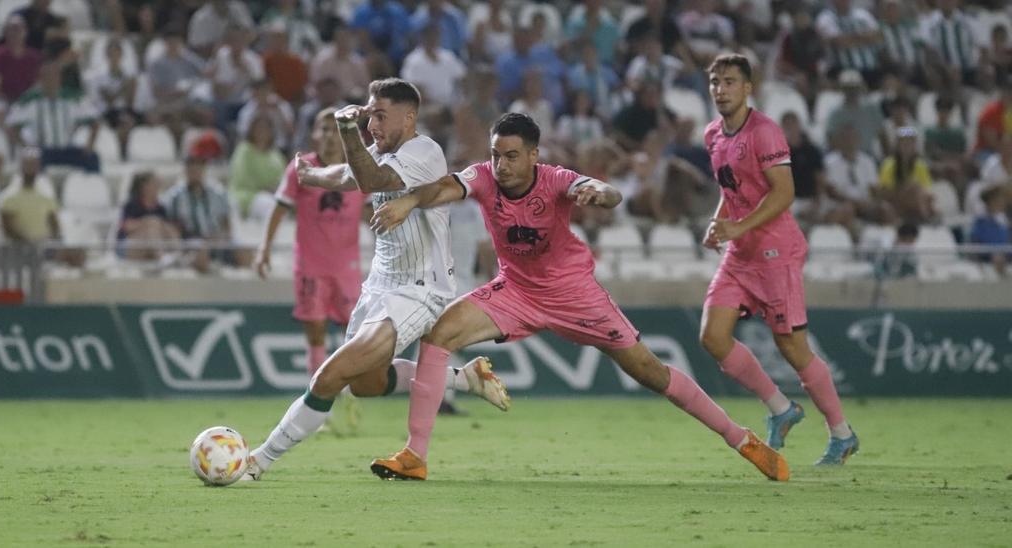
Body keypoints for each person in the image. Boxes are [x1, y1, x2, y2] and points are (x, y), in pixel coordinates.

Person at [364, 113, 788, 482]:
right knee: (438, 336)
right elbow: (442, 188)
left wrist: (599, 193)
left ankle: (741, 438)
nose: (501, 164)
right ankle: (415, 456)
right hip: (516, 289)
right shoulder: (484, 177)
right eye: (496, 154)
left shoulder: (556, 179)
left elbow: (608, 192)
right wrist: (408, 202)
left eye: (511, 156)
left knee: (651, 373)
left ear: (533, 155)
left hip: (574, 294)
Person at [245, 79, 511, 481]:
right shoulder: (380, 151)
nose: (372, 124)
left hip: (420, 290)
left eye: (380, 116)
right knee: (363, 384)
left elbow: (369, 179)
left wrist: (346, 129)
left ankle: (257, 461)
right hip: (380, 286)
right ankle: (465, 378)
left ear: (410, 117)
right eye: (370, 115)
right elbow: (348, 174)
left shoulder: (424, 152)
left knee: (329, 377)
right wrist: (312, 176)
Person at [698, 54, 858, 465]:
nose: (721, 89)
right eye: (715, 82)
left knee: (791, 345)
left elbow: (784, 193)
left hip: (775, 251)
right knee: (713, 337)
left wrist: (739, 226)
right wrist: (719, 223)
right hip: (741, 251)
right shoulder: (713, 134)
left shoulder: (765, 132)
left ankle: (841, 434)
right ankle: (781, 409)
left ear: (748, 88)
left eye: (730, 81)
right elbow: (730, 187)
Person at [254, 107, 365, 387]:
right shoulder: (301, 168)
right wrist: (264, 248)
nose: (329, 135)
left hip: (347, 268)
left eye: (335, 129)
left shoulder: (361, 169)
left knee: (352, 333)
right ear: (315, 134)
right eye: (323, 129)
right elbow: (280, 209)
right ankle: (318, 394)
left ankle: (348, 390)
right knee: (315, 332)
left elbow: (373, 211)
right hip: (310, 267)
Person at [117, 172, 180, 261]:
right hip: (129, 247)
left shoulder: (160, 208)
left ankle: (177, 254)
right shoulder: (131, 205)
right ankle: (162, 257)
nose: (157, 187)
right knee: (152, 223)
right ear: (144, 187)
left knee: (169, 228)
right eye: (154, 184)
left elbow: (166, 229)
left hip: (151, 246)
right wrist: (146, 222)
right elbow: (126, 227)